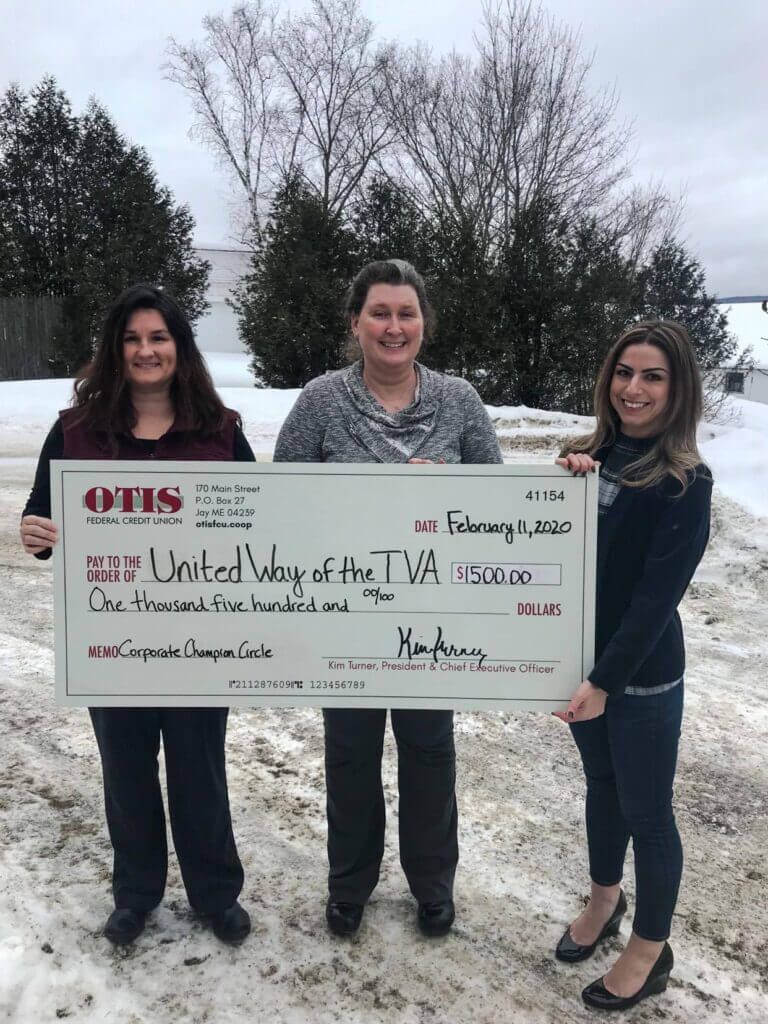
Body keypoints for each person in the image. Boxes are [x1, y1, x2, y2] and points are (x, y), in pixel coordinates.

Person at [273, 259, 502, 938]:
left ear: (423, 324)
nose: (393, 326)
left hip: (432, 622)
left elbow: (497, 506)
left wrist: (448, 497)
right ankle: (350, 885)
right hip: (344, 616)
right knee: (350, 753)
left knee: (429, 752)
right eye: (380, 313)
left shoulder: (459, 401)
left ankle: (433, 885)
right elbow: (279, 505)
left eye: (406, 313)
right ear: (356, 323)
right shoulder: (319, 401)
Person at [20, 283, 253, 947]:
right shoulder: (76, 429)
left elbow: (259, 529)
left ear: (179, 347)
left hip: (200, 640)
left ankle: (215, 894)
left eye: (158, 337)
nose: (146, 350)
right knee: (125, 769)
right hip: (112, 639)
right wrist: (36, 533)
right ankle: (136, 895)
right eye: (132, 339)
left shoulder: (220, 431)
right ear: (115, 350)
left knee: (198, 769)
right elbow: (43, 513)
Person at [553, 321, 712, 1011]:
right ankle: (603, 901)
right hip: (582, 666)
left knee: (647, 811)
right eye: (624, 373)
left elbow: (654, 600)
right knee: (601, 786)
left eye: (652, 376)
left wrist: (605, 682)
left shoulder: (684, 480)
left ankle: (650, 948)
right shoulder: (592, 457)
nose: (634, 388)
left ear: (677, 389)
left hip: (639, 675)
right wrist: (561, 491)